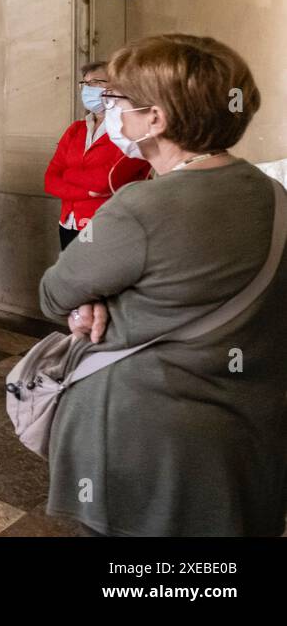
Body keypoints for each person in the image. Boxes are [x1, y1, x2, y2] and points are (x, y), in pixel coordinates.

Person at [39, 34, 287, 537]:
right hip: (247, 431)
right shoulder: (273, 193)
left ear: (157, 119)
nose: (110, 110)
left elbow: (52, 293)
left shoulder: (140, 205)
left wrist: (91, 295)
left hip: (148, 436)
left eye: (118, 99)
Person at [44, 61, 151, 249]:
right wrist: (87, 191)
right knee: (73, 276)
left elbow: (107, 180)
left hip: (107, 223)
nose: (88, 89)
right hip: (69, 221)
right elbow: (50, 180)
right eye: (85, 83)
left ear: (118, 86)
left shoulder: (129, 130)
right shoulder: (76, 129)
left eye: (95, 82)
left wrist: (69, 174)